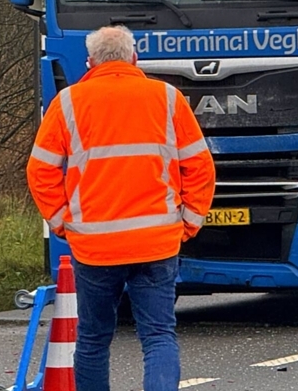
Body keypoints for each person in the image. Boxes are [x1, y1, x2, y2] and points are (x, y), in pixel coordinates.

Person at [26, 25, 216, 391]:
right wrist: (189, 223)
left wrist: (62, 221)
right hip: (156, 242)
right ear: (134, 58)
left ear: (90, 62)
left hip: (95, 246)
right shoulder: (168, 98)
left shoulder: (69, 102)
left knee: (94, 339)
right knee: (158, 336)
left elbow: (40, 170)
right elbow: (200, 167)